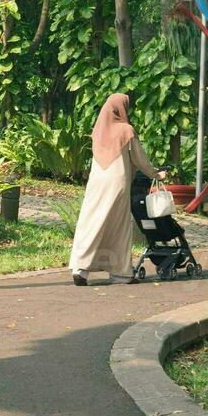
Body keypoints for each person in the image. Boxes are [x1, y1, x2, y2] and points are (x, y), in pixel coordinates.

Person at [69, 93, 166, 285]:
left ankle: (80, 268)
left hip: (96, 183)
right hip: (117, 182)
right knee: (119, 226)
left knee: (91, 222)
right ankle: (121, 273)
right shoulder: (126, 130)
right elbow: (140, 160)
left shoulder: (98, 130)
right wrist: (156, 174)